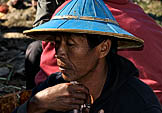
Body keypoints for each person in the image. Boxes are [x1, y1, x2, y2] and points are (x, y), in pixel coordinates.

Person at [14, 0, 162, 113]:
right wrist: (35, 105)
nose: (59, 53)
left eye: (70, 44)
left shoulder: (137, 101)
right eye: (57, 43)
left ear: (103, 48)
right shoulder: (53, 87)